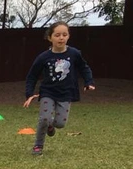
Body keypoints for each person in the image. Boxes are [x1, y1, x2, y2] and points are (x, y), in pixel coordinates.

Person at [23, 21, 95, 156]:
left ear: (68, 36)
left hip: (66, 93)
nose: (61, 38)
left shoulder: (74, 54)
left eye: (64, 34)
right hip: (48, 92)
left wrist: (88, 82)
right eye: (57, 35)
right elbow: (32, 76)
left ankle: (51, 126)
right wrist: (29, 94)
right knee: (44, 118)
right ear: (50, 38)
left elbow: (84, 68)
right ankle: (38, 145)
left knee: (60, 124)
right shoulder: (43, 57)